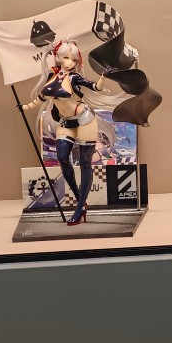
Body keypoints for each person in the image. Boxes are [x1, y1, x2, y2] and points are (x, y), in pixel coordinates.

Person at [21, 40, 111, 225]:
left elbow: (95, 87)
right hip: (65, 122)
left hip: (84, 119)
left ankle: (79, 208)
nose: (70, 62)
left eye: (74, 59)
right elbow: (41, 97)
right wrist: (26, 107)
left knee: (85, 163)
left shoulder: (74, 77)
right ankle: (81, 202)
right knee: (62, 158)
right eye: (67, 58)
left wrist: (103, 76)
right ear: (58, 57)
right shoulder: (51, 76)